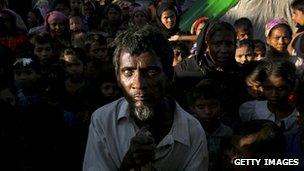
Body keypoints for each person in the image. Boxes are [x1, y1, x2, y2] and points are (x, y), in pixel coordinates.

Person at [83, 25, 208, 171]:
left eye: (151, 72)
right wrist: (128, 164)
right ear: (118, 78)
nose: (139, 84)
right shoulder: (103, 121)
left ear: (169, 75)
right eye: (128, 72)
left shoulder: (192, 131)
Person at [239, 59, 300, 135]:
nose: (274, 94)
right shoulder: (250, 110)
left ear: (292, 87)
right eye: (268, 88)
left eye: (281, 89)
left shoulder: (298, 118)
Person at [188, 79, 233, 171]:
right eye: (201, 107)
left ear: (221, 107)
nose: (208, 112)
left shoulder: (227, 132)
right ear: (193, 108)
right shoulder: (188, 131)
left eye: (213, 106)